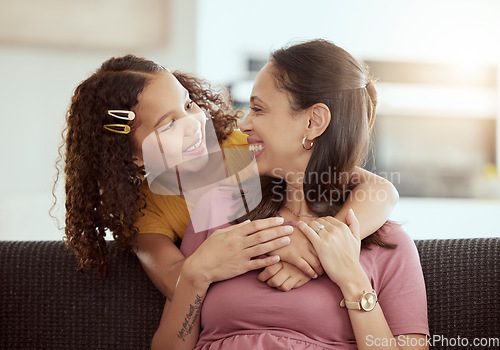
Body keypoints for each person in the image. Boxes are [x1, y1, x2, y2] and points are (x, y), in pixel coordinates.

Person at [151, 40, 429, 350]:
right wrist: (195, 274)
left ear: (313, 122)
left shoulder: (387, 243)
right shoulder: (218, 210)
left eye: (258, 109)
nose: (244, 125)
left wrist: (352, 280)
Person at [57, 53, 398, 304]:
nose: (192, 125)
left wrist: (315, 249)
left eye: (188, 105)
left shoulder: (245, 144)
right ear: (132, 156)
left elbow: (380, 190)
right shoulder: (148, 211)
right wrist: (274, 251)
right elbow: (178, 282)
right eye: (167, 125)